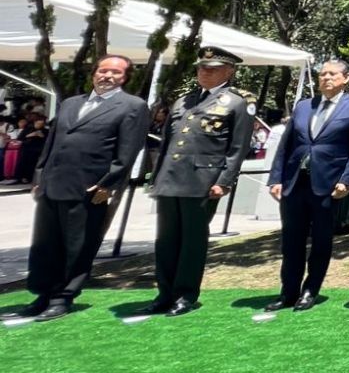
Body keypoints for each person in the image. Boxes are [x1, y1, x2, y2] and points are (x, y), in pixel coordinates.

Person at [1, 56, 149, 321]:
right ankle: (43, 294)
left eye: (115, 72)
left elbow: (128, 150)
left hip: (89, 188)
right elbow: (52, 142)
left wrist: (108, 184)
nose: (107, 76)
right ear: (94, 73)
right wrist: (39, 176)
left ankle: (63, 297)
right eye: (103, 70)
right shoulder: (71, 103)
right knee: (45, 244)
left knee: (76, 245)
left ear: (125, 78)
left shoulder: (132, 106)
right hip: (53, 184)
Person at [141, 46, 256, 316]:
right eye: (201, 68)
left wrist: (224, 180)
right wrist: (156, 177)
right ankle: (164, 293)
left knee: (192, 242)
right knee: (166, 240)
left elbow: (238, 147)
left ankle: (185, 295)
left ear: (229, 71)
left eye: (212, 69)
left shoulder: (237, 102)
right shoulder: (184, 101)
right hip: (170, 179)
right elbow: (169, 143)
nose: (204, 72)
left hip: (202, 181)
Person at [264, 59, 349, 313]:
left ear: (346, 78)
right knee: (291, 240)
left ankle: (310, 290)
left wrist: (347, 179)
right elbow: (286, 145)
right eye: (323, 74)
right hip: (295, 182)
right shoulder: (304, 106)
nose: (326, 78)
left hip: (328, 184)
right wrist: (276, 178)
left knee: (321, 241)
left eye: (332, 74)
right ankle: (288, 292)